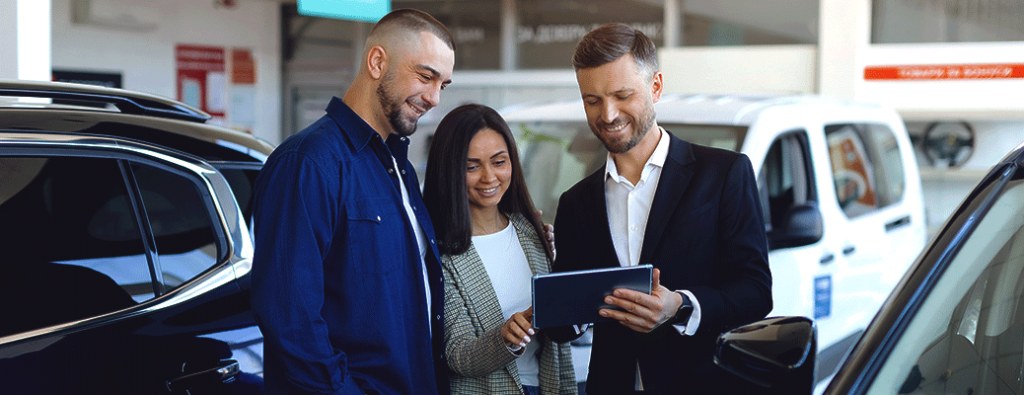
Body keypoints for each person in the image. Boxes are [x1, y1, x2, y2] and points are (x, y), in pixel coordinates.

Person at [552, 23, 773, 394]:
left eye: (622, 95)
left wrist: (680, 305)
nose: (607, 115)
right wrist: (558, 311)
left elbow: (755, 291)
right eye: (592, 100)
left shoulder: (724, 174)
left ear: (655, 86)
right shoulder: (575, 203)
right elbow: (564, 322)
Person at [250, 9, 455, 395]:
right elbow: (290, 319)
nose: (433, 98)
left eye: (443, 84)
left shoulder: (400, 167)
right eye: (426, 76)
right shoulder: (308, 163)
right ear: (377, 62)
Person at [422, 104, 578, 395]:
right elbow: (456, 353)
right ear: (449, 170)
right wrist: (505, 338)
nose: (489, 177)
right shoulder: (439, 252)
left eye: (499, 162)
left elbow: (558, 347)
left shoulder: (532, 232)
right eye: (472, 166)